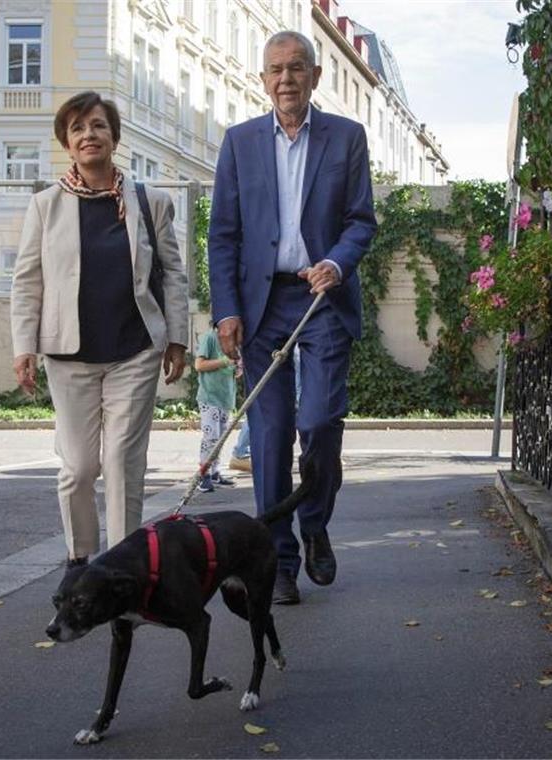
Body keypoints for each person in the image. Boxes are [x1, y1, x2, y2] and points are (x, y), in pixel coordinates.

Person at [208, 31, 377, 604]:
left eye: (297, 68)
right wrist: (226, 309)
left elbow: (361, 221)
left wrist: (336, 260)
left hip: (321, 297)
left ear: (315, 76)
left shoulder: (347, 139)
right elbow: (223, 235)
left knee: (321, 423)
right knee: (272, 433)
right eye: (276, 69)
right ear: (263, 79)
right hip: (261, 304)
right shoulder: (239, 143)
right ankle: (277, 559)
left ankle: (315, 525)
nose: (286, 79)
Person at [11, 91, 189, 568]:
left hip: (134, 350)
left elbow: (173, 272)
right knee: (79, 468)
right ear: (67, 145)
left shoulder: (150, 202)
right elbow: (28, 280)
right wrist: (23, 346)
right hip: (69, 356)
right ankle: (81, 561)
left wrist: (177, 337)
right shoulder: (46, 207)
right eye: (77, 129)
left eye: (97, 125)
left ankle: (125, 566)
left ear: (114, 136)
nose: (88, 135)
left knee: (122, 465)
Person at [194, 325, 238, 493]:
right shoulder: (210, 338)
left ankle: (214, 473)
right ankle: (203, 475)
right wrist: (225, 361)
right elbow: (199, 365)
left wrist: (237, 367)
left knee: (219, 438)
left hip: (225, 398)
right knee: (211, 436)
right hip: (209, 396)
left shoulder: (233, 343)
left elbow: (232, 369)